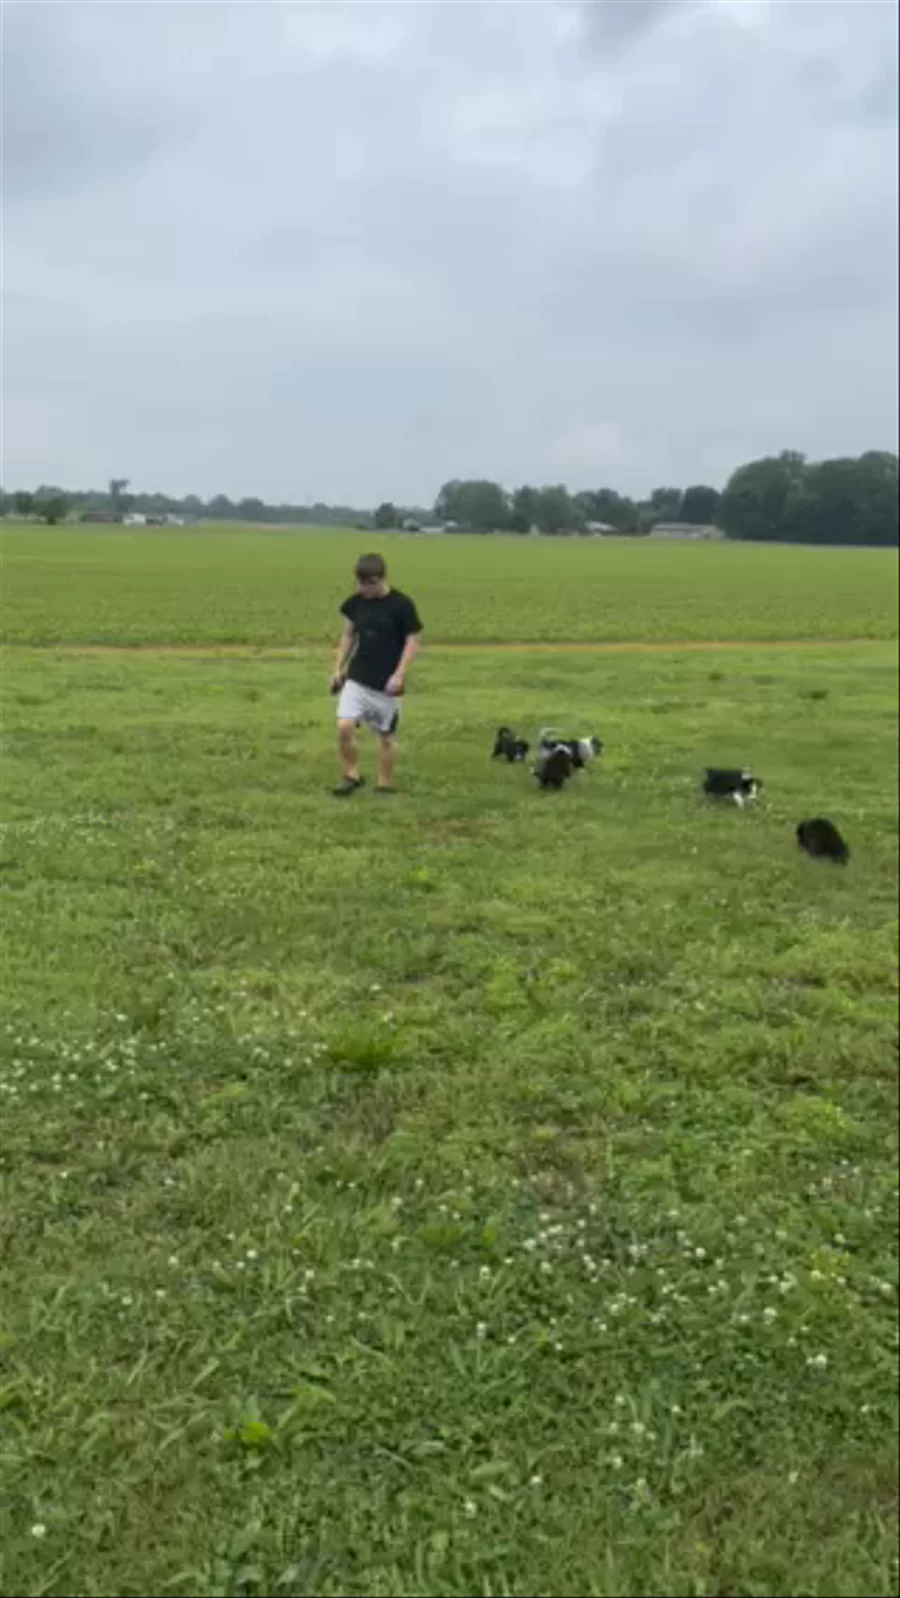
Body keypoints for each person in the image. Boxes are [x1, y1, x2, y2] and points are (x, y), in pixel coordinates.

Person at [330, 552, 423, 796]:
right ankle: (351, 775)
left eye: (369, 584)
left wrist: (399, 674)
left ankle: (385, 783)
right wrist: (338, 668)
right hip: (357, 678)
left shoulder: (402, 605)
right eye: (360, 584)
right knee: (344, 726)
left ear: (381, 579)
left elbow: (413, 641)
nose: (364, 589)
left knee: (386, 737)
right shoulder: (355, 603)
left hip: (387, 683)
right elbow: (348, 635)